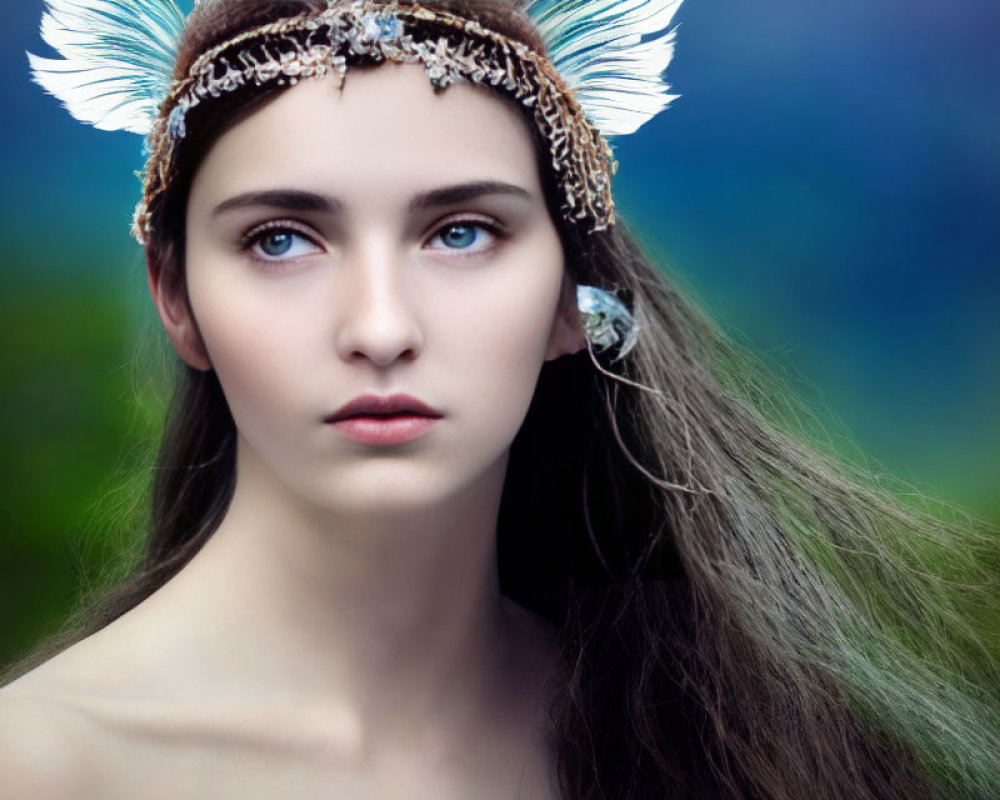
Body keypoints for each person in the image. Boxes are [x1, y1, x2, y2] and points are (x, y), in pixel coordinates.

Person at [2, 0, 998, 797]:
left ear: (573, 294)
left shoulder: (736, 734)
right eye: (281, 239)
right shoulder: (43, 766)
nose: (381, 326)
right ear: (176, 299)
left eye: (462, 230)